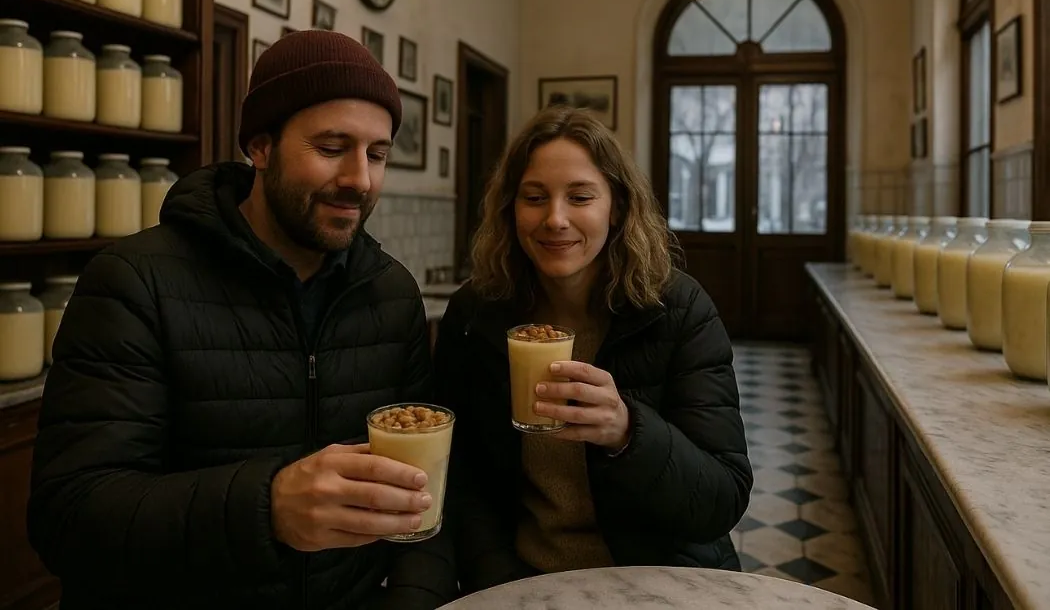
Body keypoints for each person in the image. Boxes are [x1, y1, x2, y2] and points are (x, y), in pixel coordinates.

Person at [27, 31, 457, 610]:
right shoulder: (135, 282)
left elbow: (422, 499)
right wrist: (269, 506)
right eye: (332, 147)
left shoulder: (390, 293)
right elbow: (70, 516)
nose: (360, 178)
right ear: (260, 147)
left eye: (376, 154)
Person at [434, 106, 753, 594]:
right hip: (525, 580)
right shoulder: (477, 315)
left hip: (659, 581)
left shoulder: (678, 310)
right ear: (510, 209)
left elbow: (722, 497)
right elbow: (464, 482)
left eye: (580, 197)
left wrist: (628, 432)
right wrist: (497, 584)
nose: (555, 219)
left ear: (618, 207)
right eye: (534, 197)